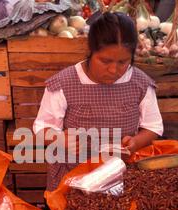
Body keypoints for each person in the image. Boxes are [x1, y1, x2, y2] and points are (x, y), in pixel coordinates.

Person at [33, 12, 163, 191]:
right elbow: (42, 128)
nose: (113, 69)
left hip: (119, 174)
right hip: (73, 176)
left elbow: (153, 126)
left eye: (123, 62)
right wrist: (59, 139)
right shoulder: (64, 84)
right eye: (105, 61)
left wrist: (136, 142)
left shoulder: (140, 84)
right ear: (90, 51)